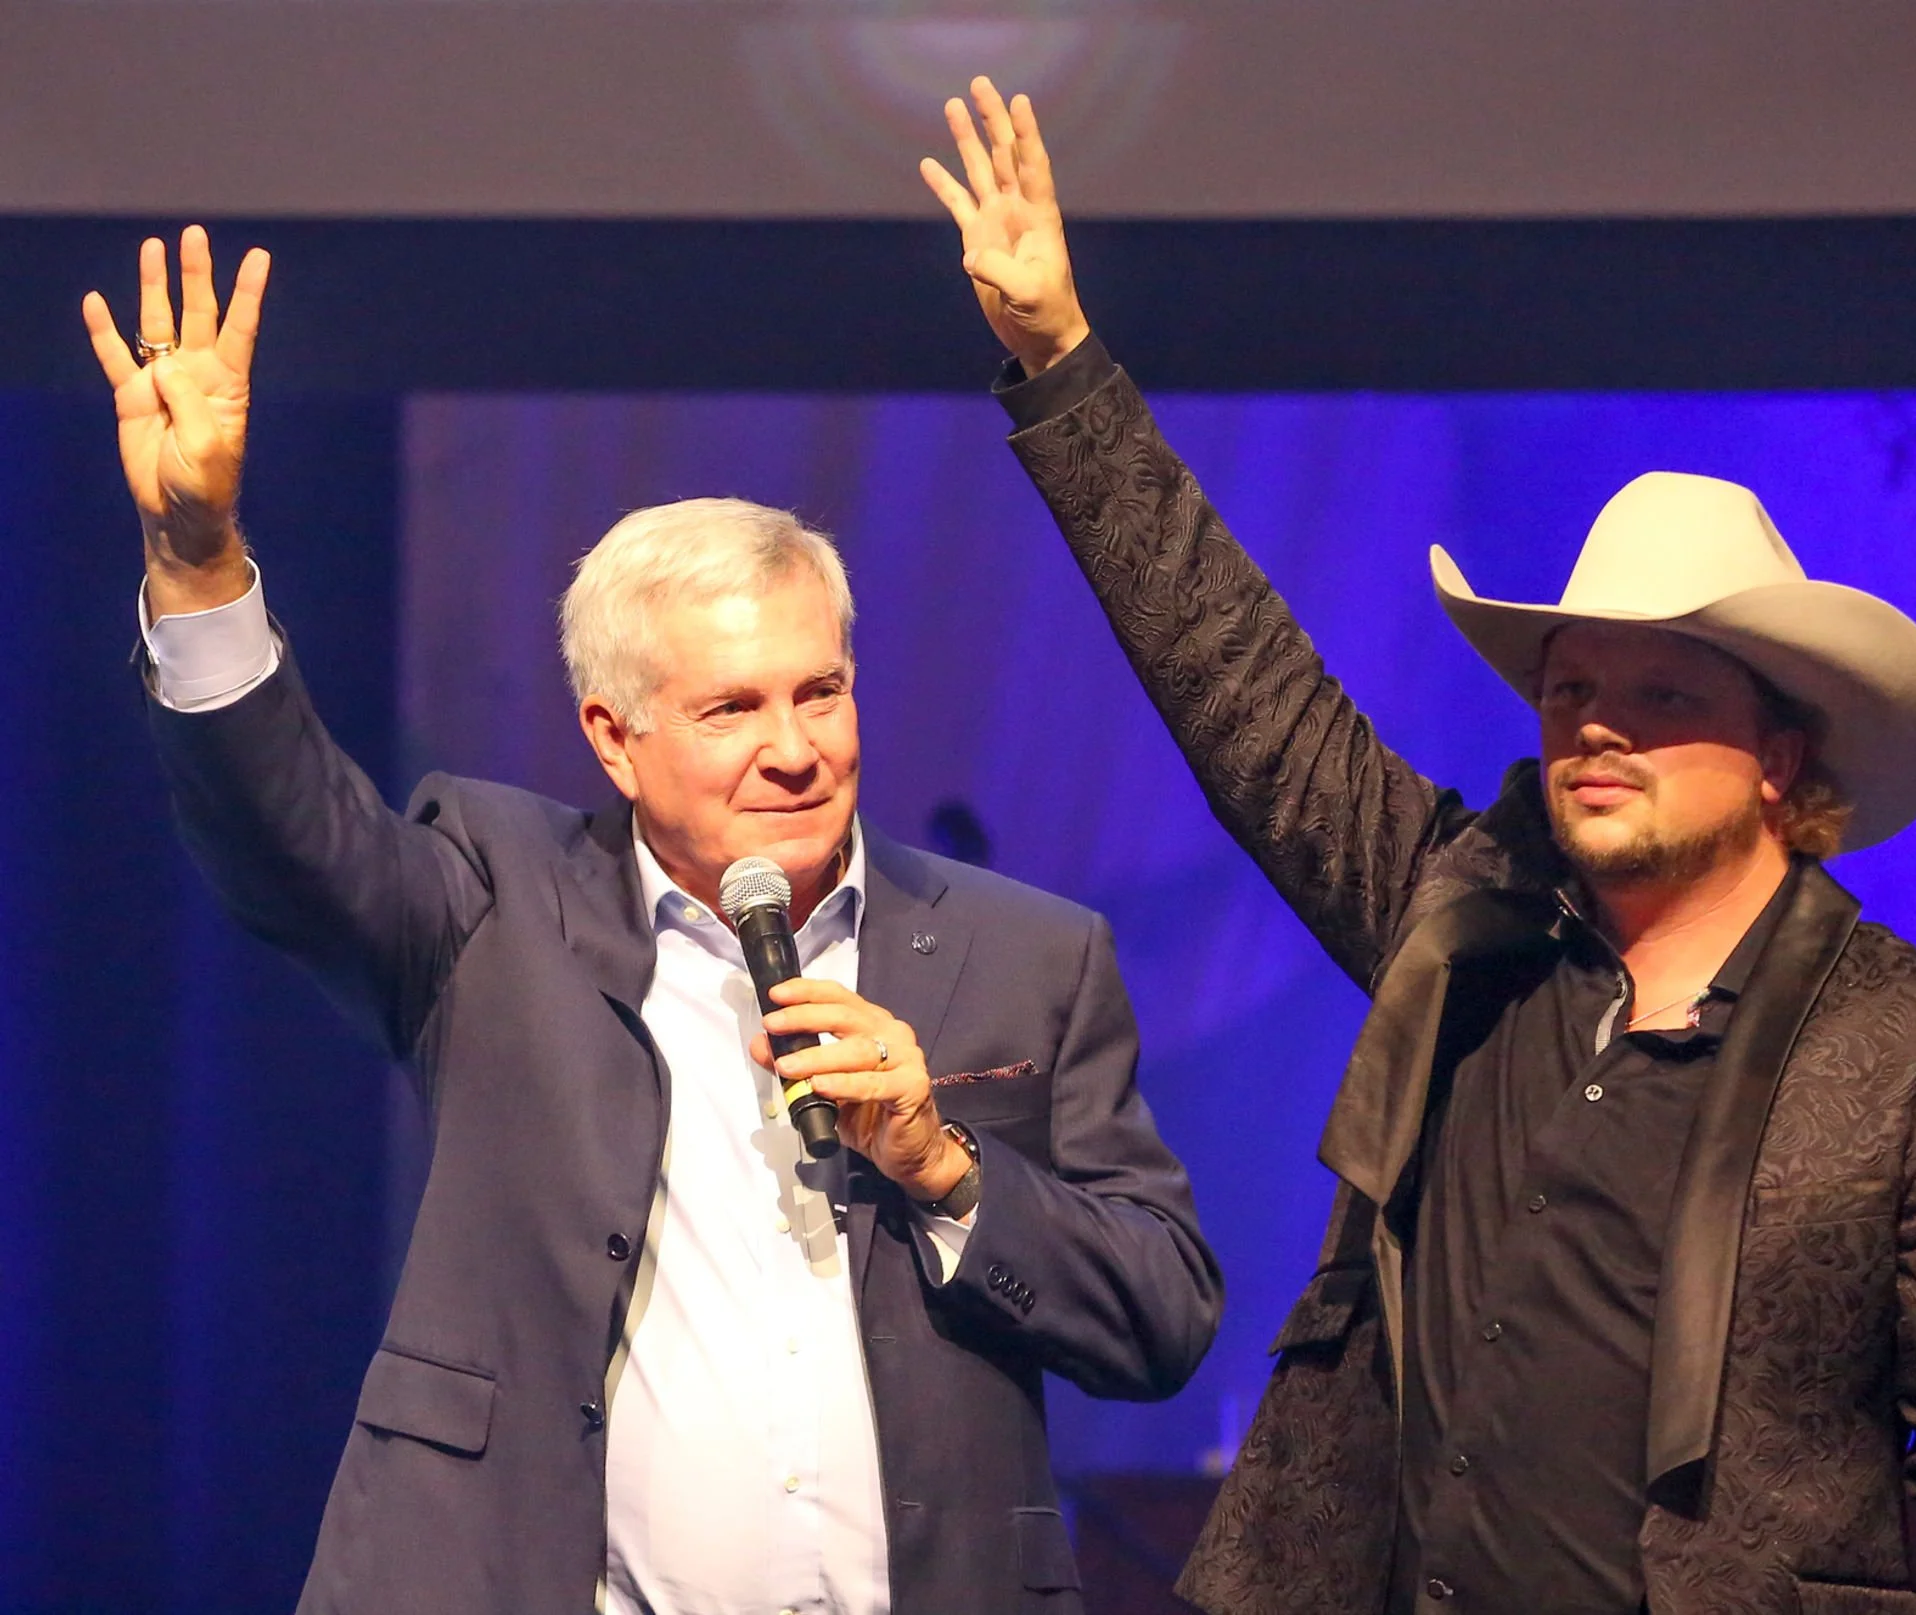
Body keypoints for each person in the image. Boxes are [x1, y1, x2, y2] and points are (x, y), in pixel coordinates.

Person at [921, 80, 1916, 1615]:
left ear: (1780, 758)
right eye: (1573, 690)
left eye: (1661, 695)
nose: (1595, 727)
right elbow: (1243, 691)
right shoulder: (1462, 932)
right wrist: (1061, 366)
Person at [83, 227, 1221, 1615]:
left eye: (821, 690)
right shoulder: (493, 898)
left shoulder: (1026, 952)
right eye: (732, 708)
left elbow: (1163, 1311)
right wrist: (196, 557)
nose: (796, 748)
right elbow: (284, 833)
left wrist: (949, 1166)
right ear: (614, 740)